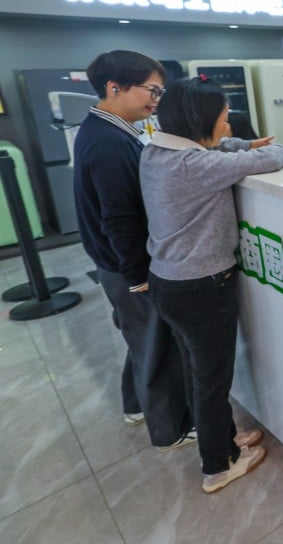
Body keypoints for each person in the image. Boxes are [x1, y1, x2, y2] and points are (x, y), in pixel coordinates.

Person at [140, 76, 283, 493]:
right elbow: (275, 157)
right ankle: (218, 465)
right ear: (200, 122)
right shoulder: (197, 167)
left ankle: (223, 440)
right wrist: (260, 147)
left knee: (198, 373)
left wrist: (240, 144)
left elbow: (219, 149)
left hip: (168, 282)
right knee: (212, 381)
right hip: (202, 288)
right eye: (224, 120)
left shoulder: (155, 152)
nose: (229, 128)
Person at [73, 50, 195, 451]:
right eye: (151, 90)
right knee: (156, 346)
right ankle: (171, 429)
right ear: (115, 87)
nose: (156, 99)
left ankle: (135, 405)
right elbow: (119, 218)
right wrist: (138, 276)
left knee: (139, 337)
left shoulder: (108, 128)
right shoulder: (108, 141)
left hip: (115, 264)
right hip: (125, 265)